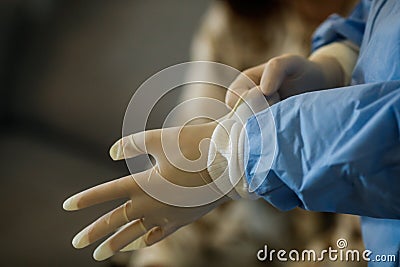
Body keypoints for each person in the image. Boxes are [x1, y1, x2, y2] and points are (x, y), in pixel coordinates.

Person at [63, 0, 400, 266]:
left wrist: (232, 156)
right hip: (244, 222)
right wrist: (336, 63)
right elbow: (193, 138)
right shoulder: (233, 23)